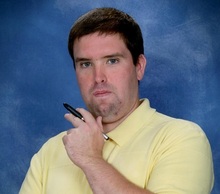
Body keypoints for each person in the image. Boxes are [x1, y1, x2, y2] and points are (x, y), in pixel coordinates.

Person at [19, 7, 214, 194]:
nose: (98, 77)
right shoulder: (50, 151)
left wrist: (90, 159)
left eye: (112, 61)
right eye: (86, 64)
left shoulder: (181, 138)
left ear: (139, 66)